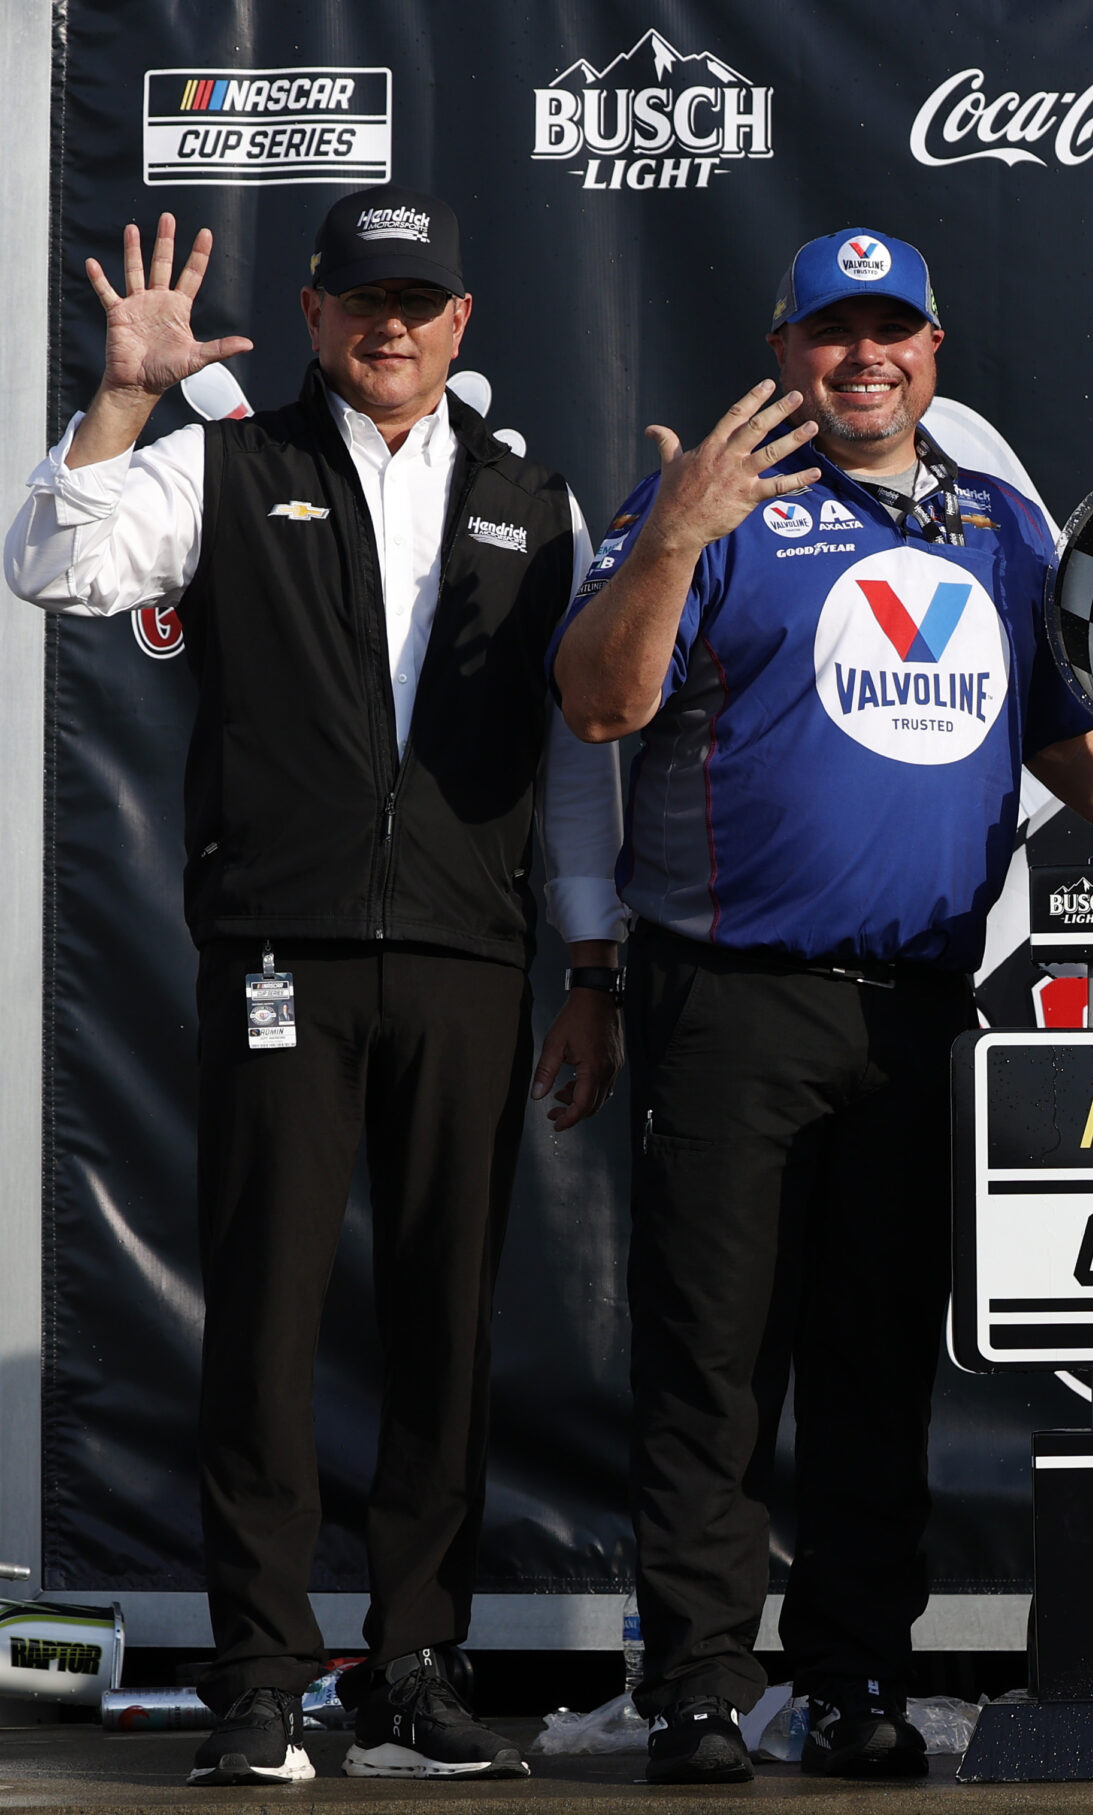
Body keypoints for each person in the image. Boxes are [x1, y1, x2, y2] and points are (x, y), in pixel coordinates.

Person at [6, 192, 628, 1785]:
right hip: (279, 950)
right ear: (313, 315)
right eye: (365, 300)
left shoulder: (526, 497)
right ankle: (264, 1677)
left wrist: (592, 964)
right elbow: (51, 567)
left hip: (471, 958)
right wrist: (125, 391)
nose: (392, 327)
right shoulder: (224, 463)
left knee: (448, 1316)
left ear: (464, 322)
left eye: (421, 301)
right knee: (270, 1316)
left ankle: (413, 1664)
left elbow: (569, 765)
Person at [550, 229, 1093, 1783]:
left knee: (878, 1366)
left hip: (923, 1009)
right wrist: (673, 538)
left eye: (893, 334)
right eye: (832, 335)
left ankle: (855, 1676)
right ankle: (696, 1688)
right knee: (714, 1359)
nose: (863, 361)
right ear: (785, 345)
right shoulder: (715, 500)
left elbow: (1087, 758)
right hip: (733, 999)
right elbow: (599, 701)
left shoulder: (999, 528)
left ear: (935, 350)